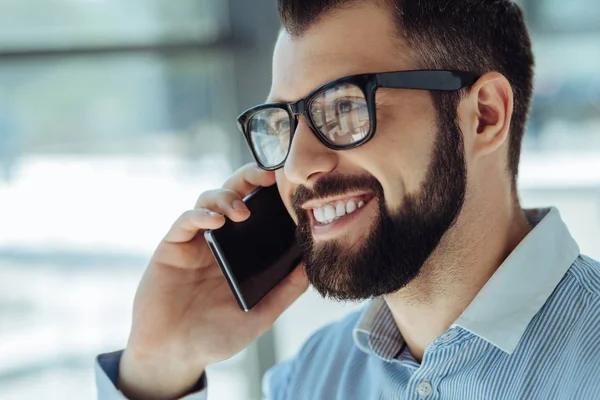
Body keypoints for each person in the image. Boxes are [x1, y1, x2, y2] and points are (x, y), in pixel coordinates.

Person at [95, 0, 600, 399]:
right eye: (282, 124)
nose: (295, 166)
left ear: (484, 116)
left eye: (343, 107)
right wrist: (159, 368)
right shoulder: (308, 379)